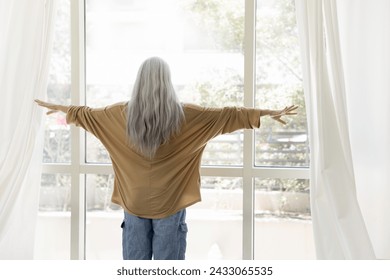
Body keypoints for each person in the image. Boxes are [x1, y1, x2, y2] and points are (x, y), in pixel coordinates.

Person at [35, 56, 298, 260]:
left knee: (135, 268)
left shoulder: (118, 115)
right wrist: (267, 112)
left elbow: (85, 114)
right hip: (170, 205)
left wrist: (64, 109)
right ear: (168, 81)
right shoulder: (190, 116)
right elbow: (231, 115)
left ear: (139, 81)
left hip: (135, 202)